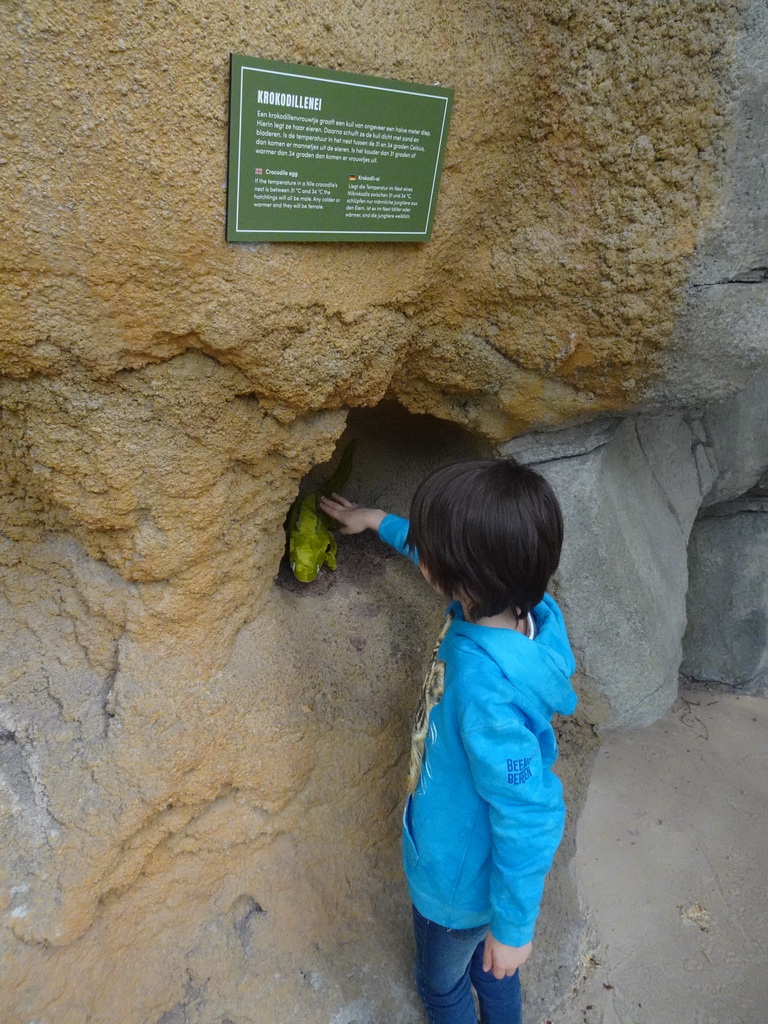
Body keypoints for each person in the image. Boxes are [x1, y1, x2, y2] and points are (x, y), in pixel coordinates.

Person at [319, 458, 577, 1024]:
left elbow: (529, 809)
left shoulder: (489, 696)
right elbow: (442, 556)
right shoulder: (522, 608)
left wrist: (513, 929)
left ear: (465, 579)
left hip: (455, 890)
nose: (423, 552)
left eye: (431, 548)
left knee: (443, 984)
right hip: (471, 866)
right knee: (493, 970)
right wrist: (376, 520)